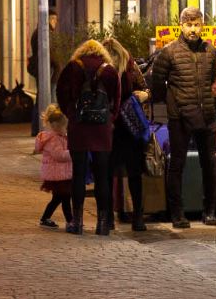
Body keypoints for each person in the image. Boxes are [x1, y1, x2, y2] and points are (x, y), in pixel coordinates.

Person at [57, 39, 149, 235]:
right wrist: (109, 119)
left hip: (79, 128)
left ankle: (78, 222)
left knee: (79, 176)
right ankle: (102, 223)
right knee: (103, 176)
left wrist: (71, 115)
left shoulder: (73, 66)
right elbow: (116, 100)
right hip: (104, 129)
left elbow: (61, 93)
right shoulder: (109, 70)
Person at [150, 7, 216, 229]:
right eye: (189, 24)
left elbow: (212, 77)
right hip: (180, 116)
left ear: (202, 25)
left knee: (209, 164)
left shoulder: (210, 51)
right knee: (177, 165)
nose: (193, 29)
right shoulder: (169, 52)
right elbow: (157, 82)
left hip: (207, 115)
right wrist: (172, 103)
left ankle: (209, 210)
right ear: (181, 25)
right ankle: (177, 213)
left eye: (197, 24)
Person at [34, 106, 73, 229]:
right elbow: (59, 155)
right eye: (65, 127)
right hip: (58, 175)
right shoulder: (53, 139)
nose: (66, 130)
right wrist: (74, 153)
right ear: (56, 126)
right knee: (65, 198)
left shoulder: (60, 137)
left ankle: (46, 218)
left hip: (60, 173)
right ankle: (70, 221)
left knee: (58, 198)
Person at [27, 11, 59, 91]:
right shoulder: (44, 33)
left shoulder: (41, 32)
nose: (55, 22)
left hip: (45, 66)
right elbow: (47, 51)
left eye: (55, 19)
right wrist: (57, 64)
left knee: (42, 94)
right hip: (46, 67)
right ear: (47, 20)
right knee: (47, 94)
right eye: (53, 19)